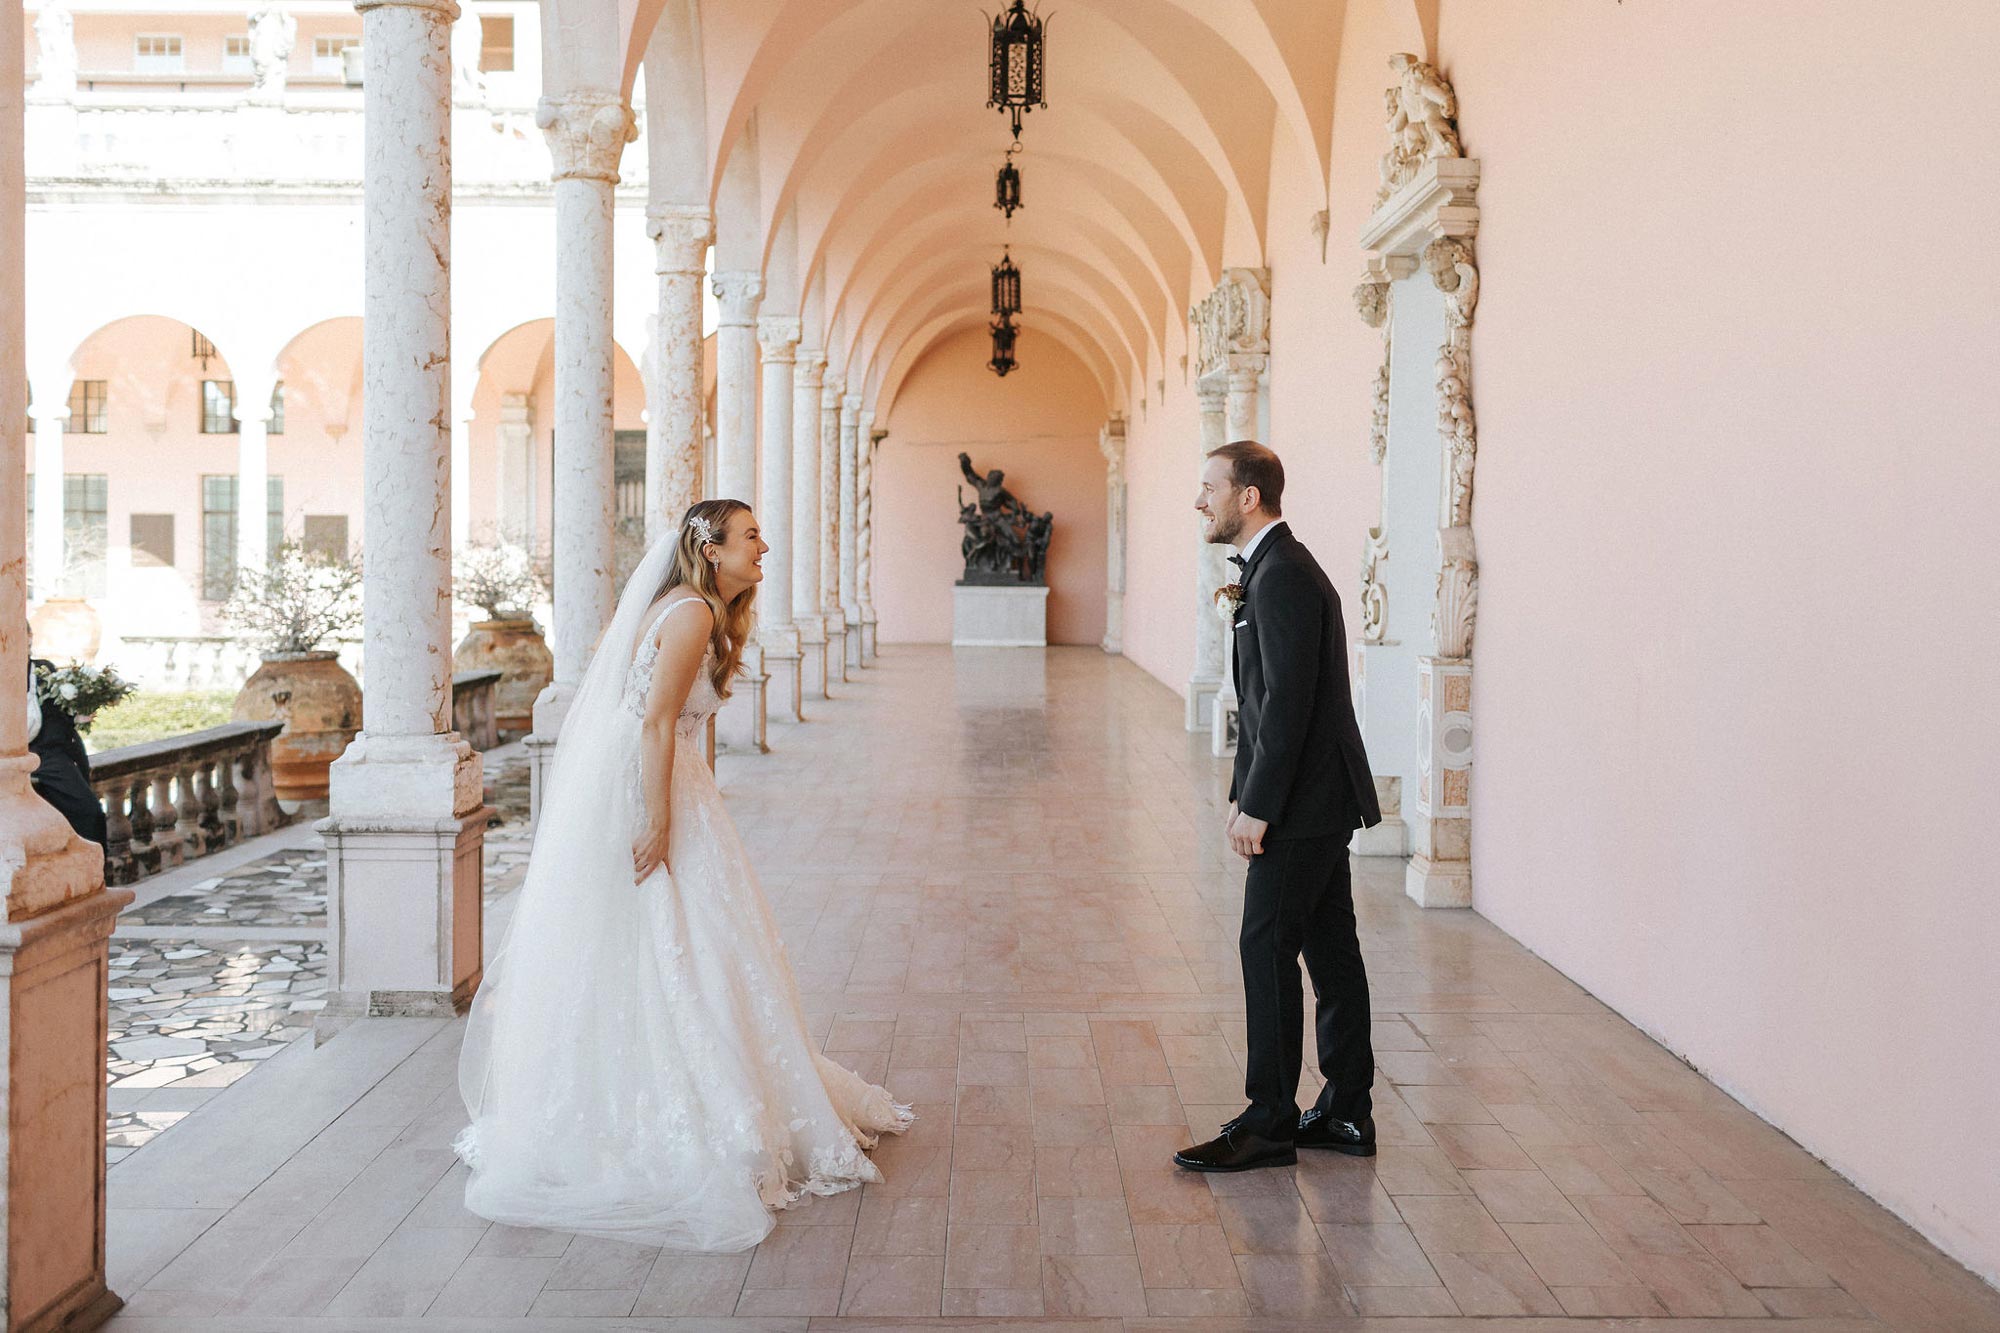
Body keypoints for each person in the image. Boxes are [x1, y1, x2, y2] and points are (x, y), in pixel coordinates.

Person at [455, 499, 912, 1251]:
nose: (764, 544)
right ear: (711, 549)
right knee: (674, 931)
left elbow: (674, 725)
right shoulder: (693, 613)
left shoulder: (701, 610)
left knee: (686, 937)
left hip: (669, 783)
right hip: (647, 783)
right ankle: (679, 1105)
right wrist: (660, 819)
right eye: (751, 535)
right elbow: (657, 721)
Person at [1174, 441, 1382, 1173]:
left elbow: (1289, 704)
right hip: (1315, 796)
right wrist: (1248, 792)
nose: (1200, 500)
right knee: (1329, 950)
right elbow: (1271, 702)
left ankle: (1269, 1120)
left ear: (1249, 497)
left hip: (1302, 801)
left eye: (1209, 487)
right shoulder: (1274, 569)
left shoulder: (1282, 575)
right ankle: (1348, 1112)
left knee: (1264, 944)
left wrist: (1257, 805)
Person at [27, 645, 108, 846]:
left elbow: (59, 715)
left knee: (89, 813)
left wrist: (77, 716)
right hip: (28, 755)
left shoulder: (43, 670)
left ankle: (95, 869)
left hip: (51, 753)